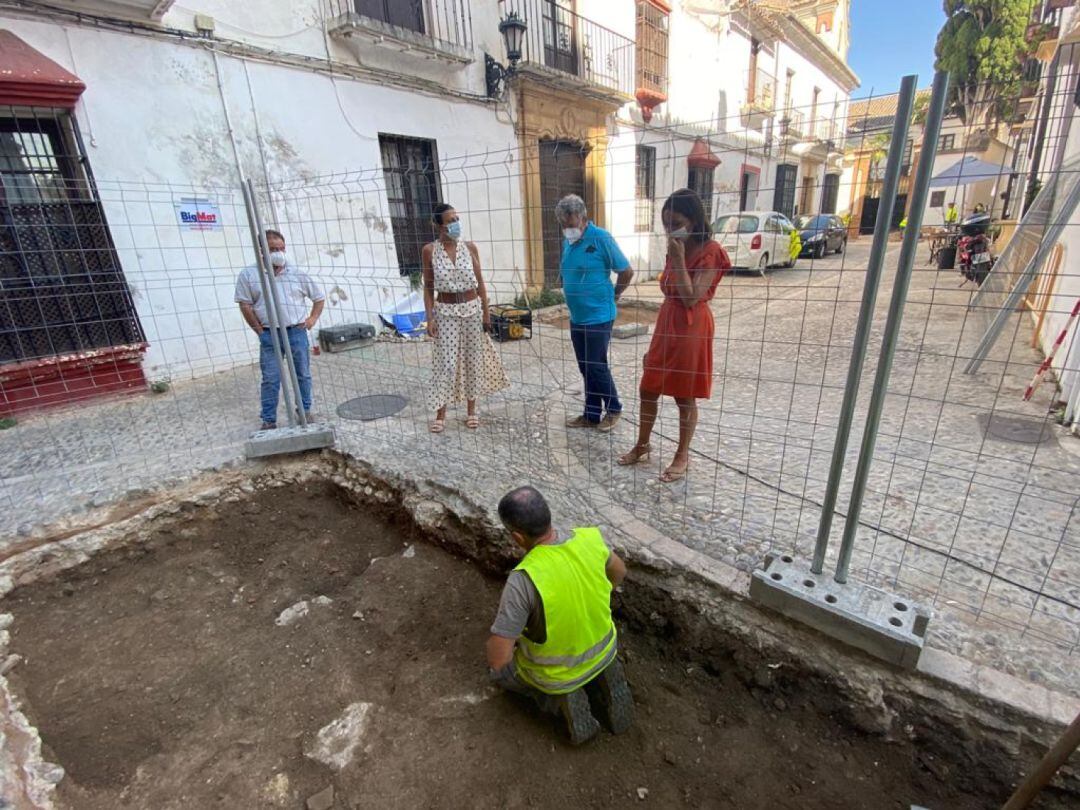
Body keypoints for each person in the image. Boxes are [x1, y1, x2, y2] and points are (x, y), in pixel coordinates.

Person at [487, 486, 633, 745]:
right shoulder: (589, 539)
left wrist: (500, 667)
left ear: (518, 538)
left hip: (557, 673)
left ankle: (557, 699)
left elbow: (500, 655)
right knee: (600, 656)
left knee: (502, 673)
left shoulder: (523, 579)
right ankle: (606, 679)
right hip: (605, 647)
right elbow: (619, 571)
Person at [618, 189, 731, 482]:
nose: (670, 229)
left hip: (692, 326)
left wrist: (679, 259)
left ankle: (682, 454)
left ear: (693, 220)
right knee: (648, 386)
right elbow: (669, 289)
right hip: (667, 322)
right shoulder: (675, 245)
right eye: (666, 223)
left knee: (684, 395)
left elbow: (692, 296)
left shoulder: (711, 251)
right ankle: (642, 444)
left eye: (676, 221)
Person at [422, 203, 509, 433]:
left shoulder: (469, 248)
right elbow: (428, 288)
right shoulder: (430, 250)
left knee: (473, 360)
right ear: (439, 225)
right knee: (446, 363)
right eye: (450, 220)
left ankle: (472, 410)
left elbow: (480, 282)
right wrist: (430, 318)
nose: (455, 224)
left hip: (472, 309)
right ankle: (441, 412)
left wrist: (486, 312)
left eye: (457, 218)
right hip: (446, 311)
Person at [556, 194, 634, 432]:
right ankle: (591, 414)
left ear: (583, 217)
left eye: (571, 224)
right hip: (577, 316)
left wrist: (614, 296)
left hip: (599, 315)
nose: (568, 229)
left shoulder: (601, 238)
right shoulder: (568, 241)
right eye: (564, 225)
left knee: (596, 365)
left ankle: (614, 408)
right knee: (585, 366)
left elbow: (626, 271)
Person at [235, 229, 324, 430]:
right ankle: (268, 420)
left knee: (302, 373)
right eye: (273, 249)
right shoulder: (249, 275)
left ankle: (304, 411)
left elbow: (318, 298)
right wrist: (259, 330)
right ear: (261, 251)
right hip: (269, 334)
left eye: (281, 248)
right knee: (271, 378)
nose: (278, 252)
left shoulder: (297, 273)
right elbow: (245, 304)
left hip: (296, 331)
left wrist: (312, 319)